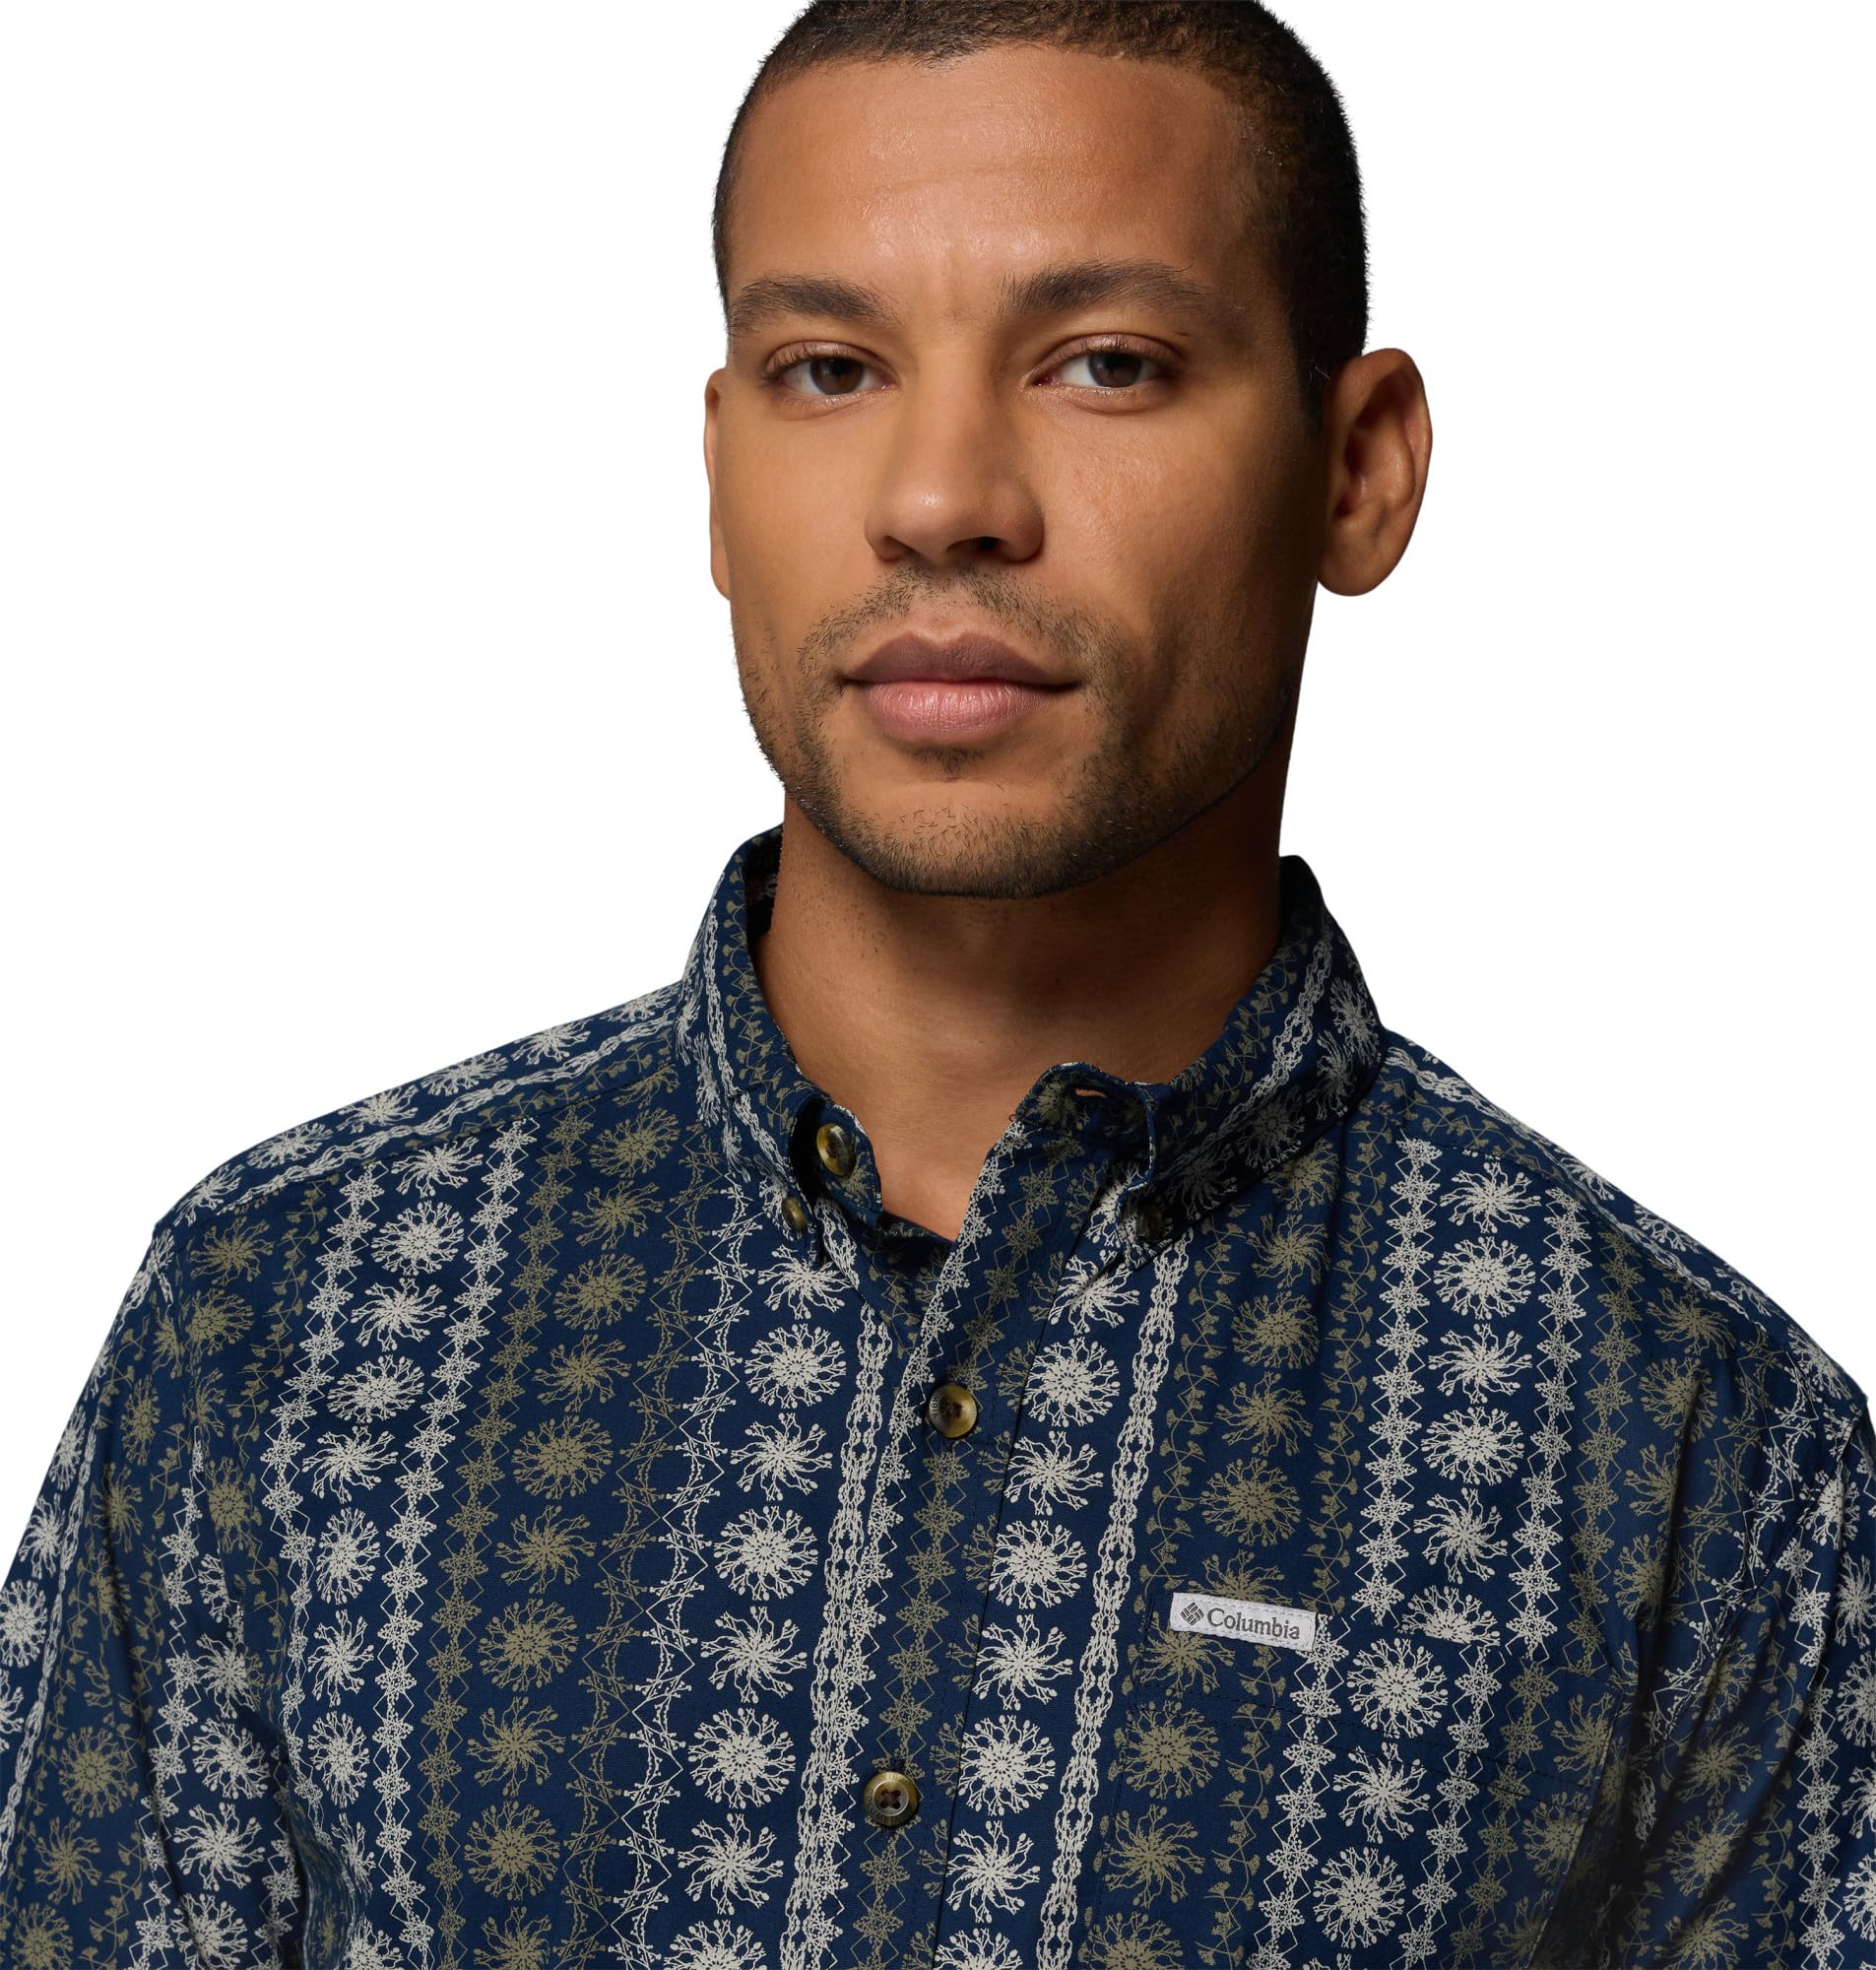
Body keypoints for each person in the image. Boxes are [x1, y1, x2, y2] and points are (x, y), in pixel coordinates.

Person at [3, 1, 1871, 1963]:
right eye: (829, 370)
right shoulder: (287, 1316)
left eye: (1104, 364)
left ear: (1356, 469)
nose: (938, 496)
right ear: (717, 476)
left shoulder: (1689, 1447)